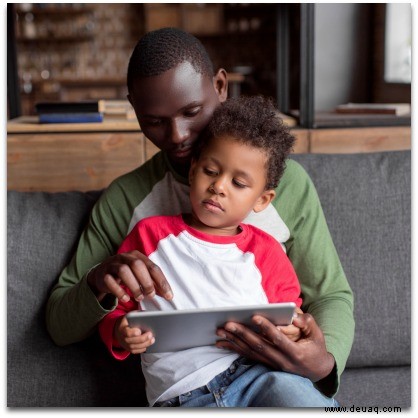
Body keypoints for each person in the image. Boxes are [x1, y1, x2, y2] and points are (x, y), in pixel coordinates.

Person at [46, 27, 354, 406]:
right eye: (154, 121)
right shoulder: (126, 200)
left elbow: (330, 295)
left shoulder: (287, 185)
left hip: (265, 379)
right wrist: (99, 280)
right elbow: (60, 323)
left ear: (221, 86)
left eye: (192, 111)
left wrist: (323, 362)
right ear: (134, 107)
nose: (176, 135)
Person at [99, 95, 305, 407]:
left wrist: (293, 329)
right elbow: (115, 308)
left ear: (262, 200)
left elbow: (291, 314)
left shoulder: (265, 251)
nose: (219, 186)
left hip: (260, 377)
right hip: (181, 397)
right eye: (211, 171)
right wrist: (119, 332)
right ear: (193, 170)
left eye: (238, 182)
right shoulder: (149, 236)